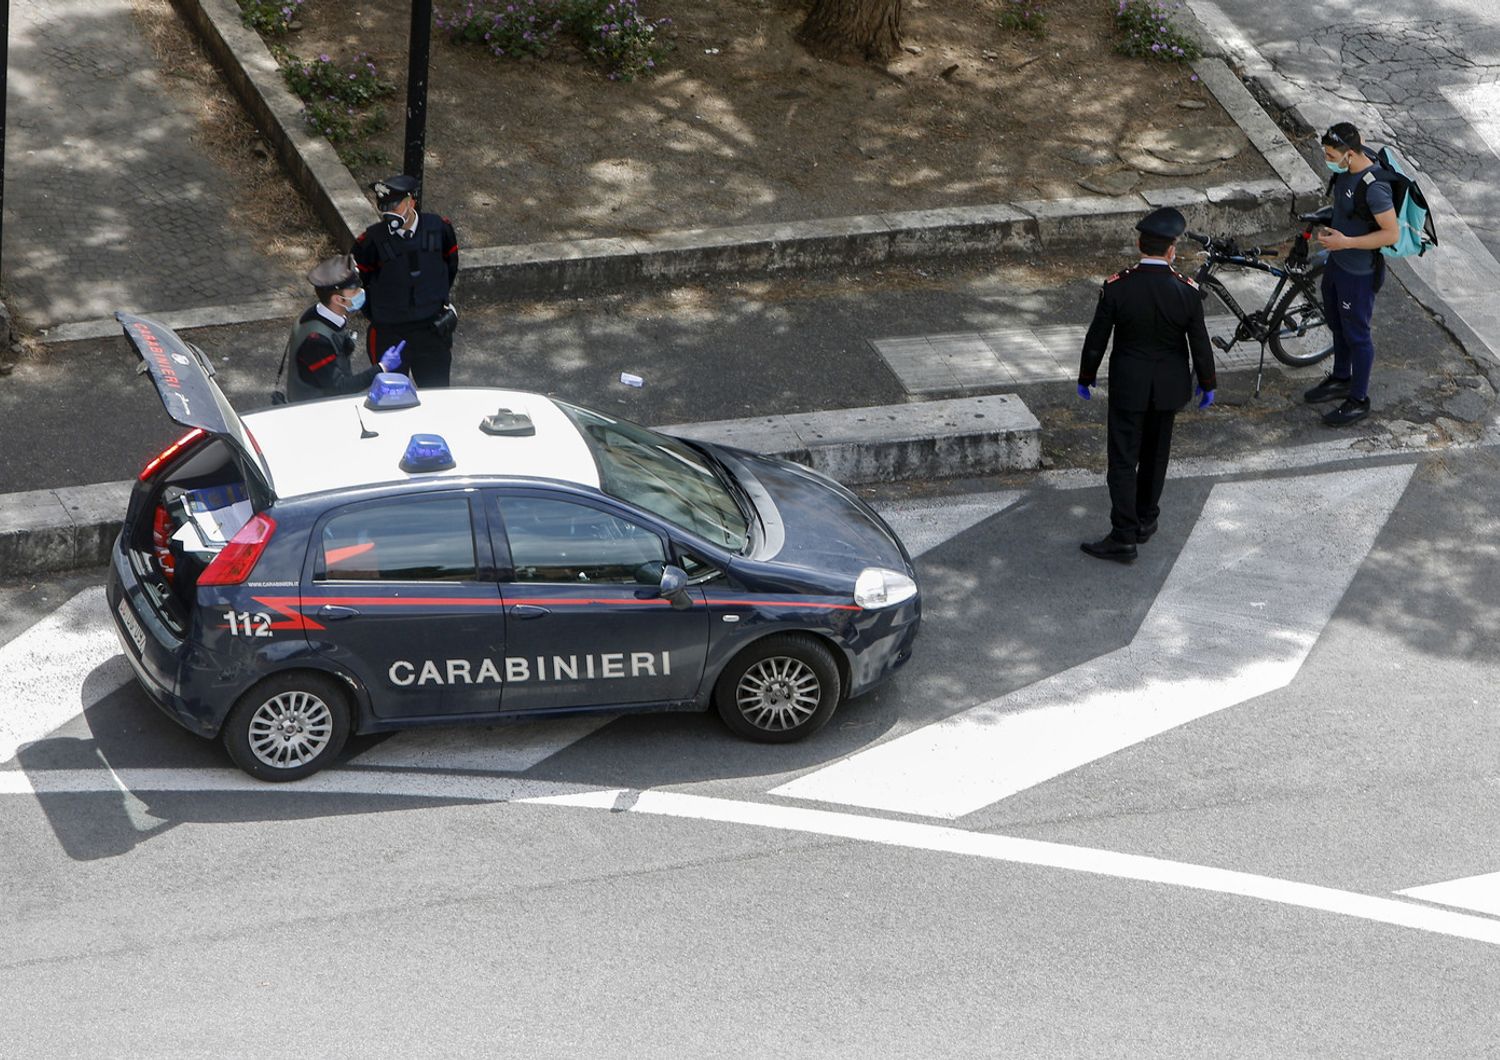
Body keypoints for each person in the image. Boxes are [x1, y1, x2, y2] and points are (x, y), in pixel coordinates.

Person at [1076, 206, 1217, 564]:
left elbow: (1097, 338)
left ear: (1140, 244)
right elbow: (1200, 343)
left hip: (1129, 386)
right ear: (1172, 251)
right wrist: (1208, 382)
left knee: (1123, 460)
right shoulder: (1187, 291)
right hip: (1168, 388)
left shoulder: (1117, 287)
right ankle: (1145, 520)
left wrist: (1086, 376)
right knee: (1156, 456)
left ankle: (1123, 535)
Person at [1303, 122, 1401, 426]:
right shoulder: (1346, 171)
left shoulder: (1375, 189)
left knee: (1357, 335)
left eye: (1331, 154)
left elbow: (1391, 234)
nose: (1327, 159)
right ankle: (1341, 377)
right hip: (1337, 264)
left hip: (1358, 274)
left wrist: (1347, 242)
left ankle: (1358, 399)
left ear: (1349, 154)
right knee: (1337, 324)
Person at [351, 174, 460, 388]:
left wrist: (434, 298)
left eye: (394, 205)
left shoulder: (438, 228)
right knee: (391, 397)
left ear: (411, 202)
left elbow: (450, 266)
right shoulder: (371, 241)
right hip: (390, 333)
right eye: (384, 206)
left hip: (431, 331)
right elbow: (361, 282)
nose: (389, 212)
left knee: (437, 395)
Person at [282, 255, 405, 404]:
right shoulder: (316, 340)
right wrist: (382, 367)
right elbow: (340, 387)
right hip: (316, 409)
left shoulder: (320, 313)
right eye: (354, 292)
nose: (361, 292)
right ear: (338, 300)